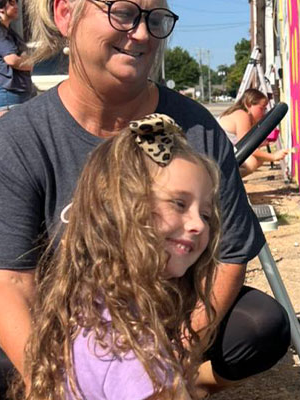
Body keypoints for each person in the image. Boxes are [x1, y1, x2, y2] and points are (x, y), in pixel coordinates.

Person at [0, 1, 290, 398]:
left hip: (170, 304)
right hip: (72, 314)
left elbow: (229, 256)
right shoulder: (17, 141)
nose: (141, 33)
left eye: (154, 20)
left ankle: (198, 382)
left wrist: (181, 354)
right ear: (66, 14)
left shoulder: (196, 128)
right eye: (122, 12)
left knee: (261, 326)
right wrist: (50, 383)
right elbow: (9, 281)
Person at [13, 114, 220, 399]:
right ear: (120, 209)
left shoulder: (92, 311)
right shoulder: (135, 355)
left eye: (206, 214)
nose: (198, 224)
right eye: (179, 203)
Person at [217, 88, 291, 177]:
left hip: (218, 152)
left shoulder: (240, 114)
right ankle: (223, 183)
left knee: (259, 159)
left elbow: (238, 144)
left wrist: (261, 144)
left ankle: (224, 182)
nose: (264, 113)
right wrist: (273, 156)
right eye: (261, 108)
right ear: (248, 104)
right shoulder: (242, 115)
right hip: (216, 155)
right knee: (252, 163)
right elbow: (246, 148)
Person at [0, 0, 35, 117]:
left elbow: (24, 58)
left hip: (20, 92)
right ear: (0, 8)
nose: (16, 6)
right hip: (8, 93)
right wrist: (29, 63)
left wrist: (25, 60)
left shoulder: (10, 33)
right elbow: (12, 60)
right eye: (12, 3)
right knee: (15, 134)